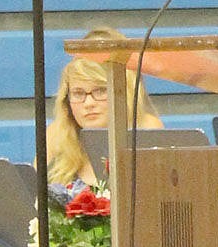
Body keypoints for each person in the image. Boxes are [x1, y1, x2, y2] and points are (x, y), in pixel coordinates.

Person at [46, 27, 164, 186]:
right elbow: (36, 203)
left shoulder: (147, 128)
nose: (88, 103)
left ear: (124, 92)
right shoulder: (56, 136)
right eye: (78, 93)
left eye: (100, 91)